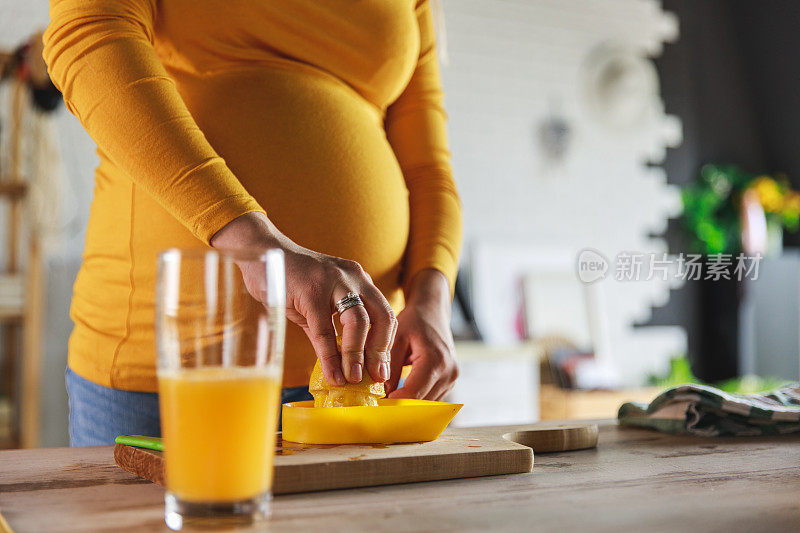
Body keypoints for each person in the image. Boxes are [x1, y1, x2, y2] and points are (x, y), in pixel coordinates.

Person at [43, 0, 463, 445]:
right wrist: (255, 244)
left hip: (362, 373)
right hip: (177, 367)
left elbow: (428, 170)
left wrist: (432, 296)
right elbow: (88, 33)